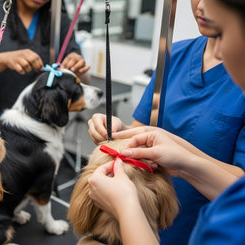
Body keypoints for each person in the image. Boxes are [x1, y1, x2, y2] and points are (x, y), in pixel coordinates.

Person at [87, 0, 245, 243]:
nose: (202, 6)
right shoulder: (174, 55)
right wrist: (121, 131)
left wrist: (183, 162)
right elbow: (141, 133)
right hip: (144, 223)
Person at [0, 0, 90, 124]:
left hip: (38, 129)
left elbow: (84, 82)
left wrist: (77, 69)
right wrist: (2, 60)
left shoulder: (60, 23)